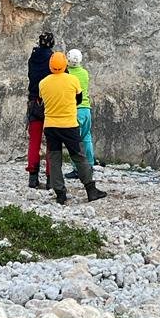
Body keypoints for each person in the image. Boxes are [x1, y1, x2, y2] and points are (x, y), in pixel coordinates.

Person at [39, 51, 107, 205]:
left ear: (50, 65)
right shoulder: (73, 80)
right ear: (64, 64)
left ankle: (60, 194)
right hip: (69, 125)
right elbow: (78, 99)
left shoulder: (43, 83)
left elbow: (42, 100)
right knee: (78, 156)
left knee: (55, 159)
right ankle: (91, 189)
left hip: (50, 126)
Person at [26, 31, 53, 189]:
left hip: (34, 101)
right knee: (51, 141)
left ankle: (32, 177)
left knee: (34, 141)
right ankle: (51, 178)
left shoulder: (32, 58)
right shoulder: (53, 58)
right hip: (50, 103)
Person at [64, 48, 95, 180]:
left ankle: (77, 169)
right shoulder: (84, 73)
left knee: (74, 141)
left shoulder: (67, 74)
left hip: (75, 110)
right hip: (86, 109)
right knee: (87, 138)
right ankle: (90, 165)